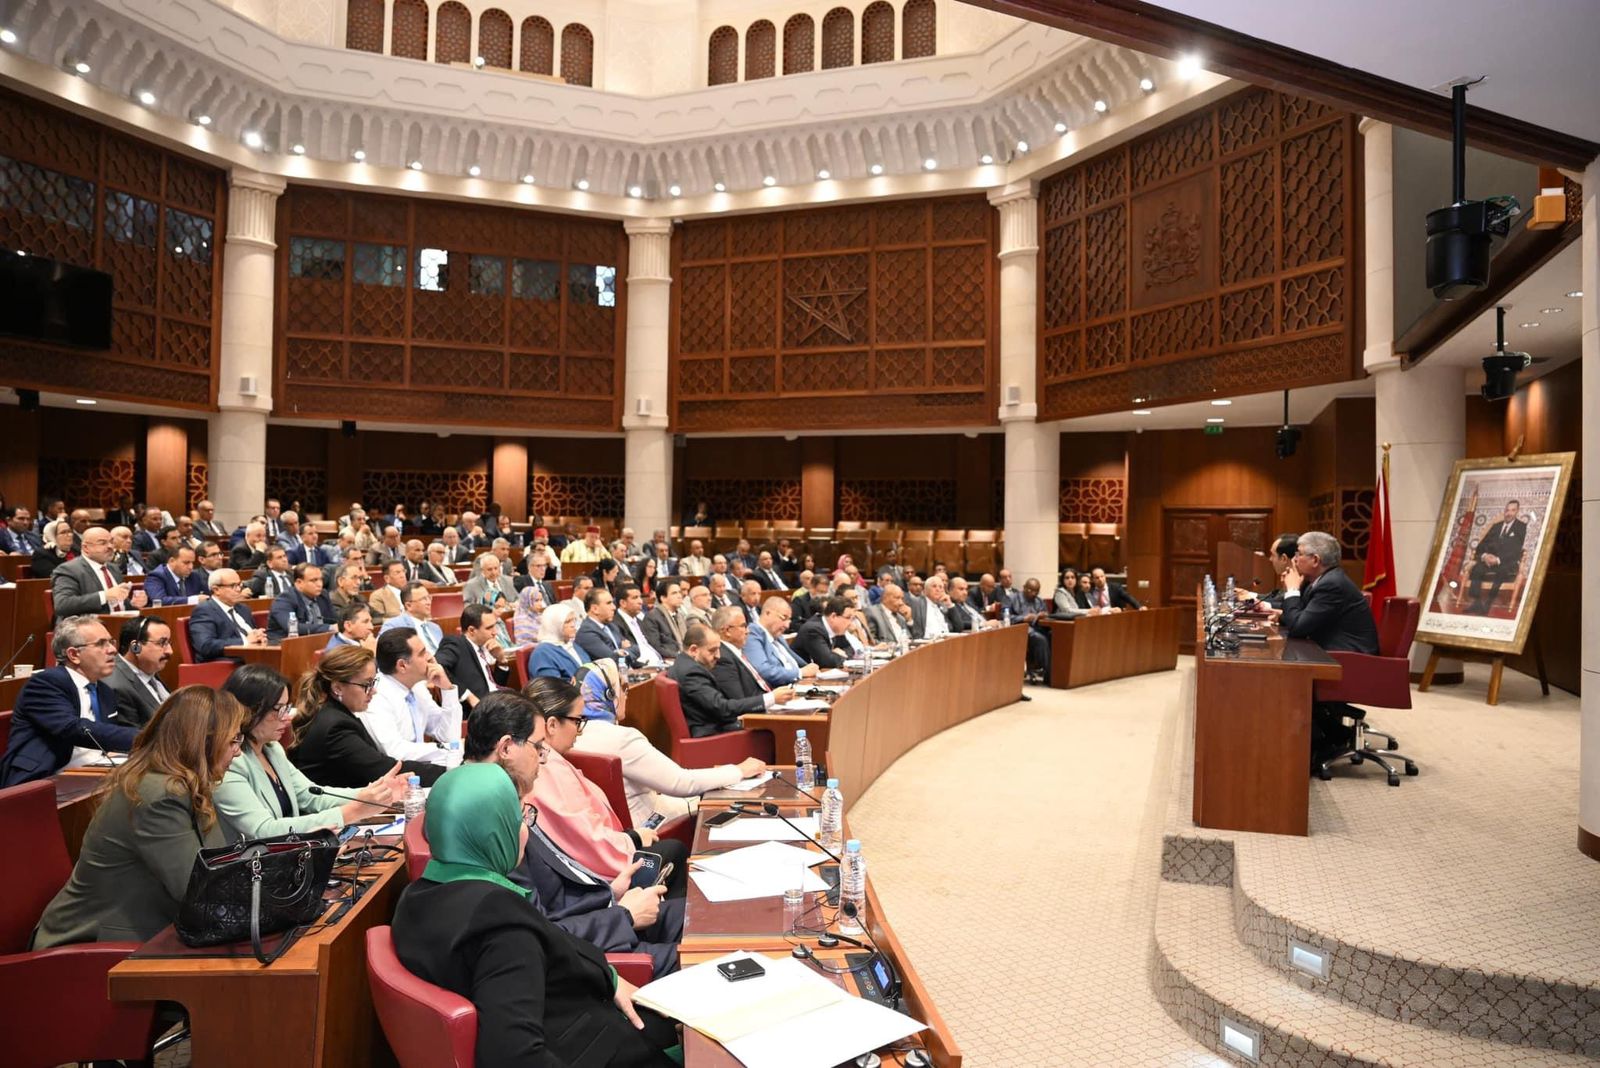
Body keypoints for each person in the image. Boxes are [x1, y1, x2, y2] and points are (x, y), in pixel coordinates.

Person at [389, 762, 681, 1066]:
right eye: (519, 820)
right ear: (493, 833)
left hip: (587, 1018)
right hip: (589, 1046)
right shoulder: (501, 926)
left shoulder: (417, 896)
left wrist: (609, 977)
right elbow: (515, 1054)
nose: (525, 831)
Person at [467, 690, 684, 975]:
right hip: (586, 952)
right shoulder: (485, 817)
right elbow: (539, 935)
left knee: (702, 917)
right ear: (507, 748)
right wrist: (623, 916)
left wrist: (609, 894)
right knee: (702, 956)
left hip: (594, 913)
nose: (544, 759)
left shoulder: (506, 795)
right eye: (539, 747)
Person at [31, 687, 244, 948]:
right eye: (233, 741)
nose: (238, 751)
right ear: (203, 742)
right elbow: (199, 892)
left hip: (150, 932)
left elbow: (221, 867)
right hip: (89, 948)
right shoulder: (160, 795)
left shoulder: (181, 783)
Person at [524, 677, 688, 892]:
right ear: (552, 724)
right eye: (577, 721)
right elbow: (584, 841)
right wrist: (633, 839)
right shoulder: (546, 765)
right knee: (674, 850)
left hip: (587, 857)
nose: (580, 730)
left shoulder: (544, 758)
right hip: (586, 876)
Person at [215, 665, 407, 840]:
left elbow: (311, 795)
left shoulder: (272, 749)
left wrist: (374, 792)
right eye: (279, 709)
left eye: (287, 708)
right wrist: (351, 812)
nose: (287, 717)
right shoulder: (229, 762)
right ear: (250, 710)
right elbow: (263, 830)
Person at [575, 657, 766, 827]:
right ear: (608, 695)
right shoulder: (622, 739)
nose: (627, 694)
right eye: (622, 688)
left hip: (608, 828)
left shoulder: (570, 735)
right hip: (652, 825)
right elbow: (681, 783)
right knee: (734, 804)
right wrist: (739, 770)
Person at [1280, 531, 1381, 765]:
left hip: (1354, 664)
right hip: (1339, 655)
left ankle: (1324, 744)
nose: (1294, 560)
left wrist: (1292, 590)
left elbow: (1299, 627)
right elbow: (1302, 618)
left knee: (1291, 678)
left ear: (1315, 560)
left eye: (1299, 554)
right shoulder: (1324, 580)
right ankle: (1336, 735)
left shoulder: (1331, 585)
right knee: (1290, 668)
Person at [0, 616, 137, 787]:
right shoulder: (45, 683)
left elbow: (108, 738)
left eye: (111, 642)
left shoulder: (105, 691)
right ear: (73, 654)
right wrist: (142, 737)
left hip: (94, 772)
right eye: (101, 644)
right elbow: (73, 728)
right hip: (43, 780)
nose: (112, 650)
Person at [287, 644, 447, 788]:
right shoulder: (335, 726)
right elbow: (383, 769)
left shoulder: (336, 714)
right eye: (367, 684)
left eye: (373, 683)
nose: (374, 691)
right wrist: (450, 773)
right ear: (337, 688)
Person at [668, 621, 791, 737]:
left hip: (718, 726)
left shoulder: (684, 664)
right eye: (712, 650)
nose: (718, 656)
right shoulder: (691, 672)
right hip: (713, 736)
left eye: (718, 649)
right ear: (694, 650)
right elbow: (723, 708)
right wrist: (771, 698)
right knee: (782, 728)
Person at [365, 628, 464, 769]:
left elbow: (449, 736)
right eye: (423, 653)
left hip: (423, 770)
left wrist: (447, 689)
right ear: (402, 665)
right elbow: (395, 751)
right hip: (394, 776)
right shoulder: (376, 696)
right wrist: (449, 749)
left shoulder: (417, 687)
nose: (430, 657)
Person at [51, 526, 148, 620]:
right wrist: (104, 596)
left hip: (119, 624)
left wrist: (133, 604)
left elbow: (118, 605)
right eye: (102, 543)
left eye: (111, 542)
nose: (110, 546)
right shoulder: (69, 570)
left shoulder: (113, 568)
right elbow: (62, 605)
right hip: (87, 628)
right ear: (86, 548)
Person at [437, 604, 512, 710]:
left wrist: (501, 660)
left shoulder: (484, 647)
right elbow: (437, 666)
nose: (495, 632)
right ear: (472, 630)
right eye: (489, 628)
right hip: (479, 711)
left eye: (494, 626)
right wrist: (468, 696)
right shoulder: (456, 644)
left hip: (496, 703)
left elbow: (496, 685)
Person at [108, 617, 174, 730]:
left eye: (168, 643)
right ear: (135, 647)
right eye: (162, 643)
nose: (170, 651)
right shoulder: (118, 686)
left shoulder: (148, 669)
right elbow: (133, 740)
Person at [1464, 500, 1528, 615]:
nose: (1509, 513)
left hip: (1506, 563)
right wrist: (1485, 556)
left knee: (1502, 571)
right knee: (1477, 568)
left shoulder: (1521, 527)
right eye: (1507, 510)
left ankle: (1487, 605)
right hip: (1489, 562)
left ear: (1517, 511)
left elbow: (1516, 550)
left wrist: (1498, 560)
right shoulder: (1496, 527)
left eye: (1513, 510)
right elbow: (1481, 546)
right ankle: (1476, 603)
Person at [267, 562, 335, 641]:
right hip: (285, 647)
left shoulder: (323, 595)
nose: (320, 584)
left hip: (318, 641)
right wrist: (330, 628)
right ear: (299, 583)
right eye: (314, 580)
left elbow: (333, 619)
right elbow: (293, 628)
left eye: (321, 579)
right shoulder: (284, 600)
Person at [463, 552, 518, 647]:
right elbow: (468, 609)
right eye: (489, 569)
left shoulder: (509, 581)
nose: (494, 572)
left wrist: (514, 604)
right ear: (482, 571)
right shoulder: (471, 585)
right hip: (487, 625)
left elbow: (518, 599)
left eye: (496, 568)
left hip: (509, 621)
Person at [576, 587, 640, 666]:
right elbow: (613, 660)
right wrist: (624, 652)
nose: (614, 607)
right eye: (609, 603)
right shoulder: (586, 633)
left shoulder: (611, 625)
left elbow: (636, 649)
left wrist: (624, 652)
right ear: (595, 609)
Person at [378, 581, 444, 653]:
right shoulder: (394, 625)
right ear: (409, 605)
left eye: (429, 597)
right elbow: (382, 653)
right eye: (423, 599)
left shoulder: (435, 628)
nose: (428, 602)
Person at [612, 584, 664, 667]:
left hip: (658, 662)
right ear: (623, 603)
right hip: (640, 668)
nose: (640, 601)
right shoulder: (615, 624)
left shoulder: (640, 621)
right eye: (635, 598)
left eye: (640, 597)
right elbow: (623, 655)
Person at [794, 595, 854, 667]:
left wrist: (835, 654)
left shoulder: (837, 629)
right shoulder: (812, 630)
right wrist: (836, 654)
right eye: (848, 618)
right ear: (833, 616)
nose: (850, 623)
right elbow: (828, 662)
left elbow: (850, 650)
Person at [529, 603, 585, 680]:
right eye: (568, 621)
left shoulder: (572, 645)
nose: (573, 625)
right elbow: (552, 688)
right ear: (554, 625)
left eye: (574, 620)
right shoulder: (542, 654)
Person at [142, 544, 207, 605]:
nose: (191, 567)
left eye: (192, 562)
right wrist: (192, 600)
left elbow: (207, 595)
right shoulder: (156, 576)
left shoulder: (194, 576)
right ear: (171, 561)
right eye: (186, 563)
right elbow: (159, 601)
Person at [641, 578, 686, 658]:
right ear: (663, 598)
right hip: (668, 659)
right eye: (674, 593)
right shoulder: (653, 617)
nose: (679, 596)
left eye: (679, 592)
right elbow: (655, 647)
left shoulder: (680, 616)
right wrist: (680, 656)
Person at [367, 561, 409, 625]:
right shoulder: (378, 596)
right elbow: (378, 621)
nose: (402, 575)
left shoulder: (413, 592)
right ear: (387, 578)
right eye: (397, 573)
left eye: (403, 571)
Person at [514, 576, 552, 646]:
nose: (540, 604)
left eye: (541, 600)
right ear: (526, 601)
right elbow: (524, 644)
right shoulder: (521, 620)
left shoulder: (540, 616)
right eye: (536, 600)